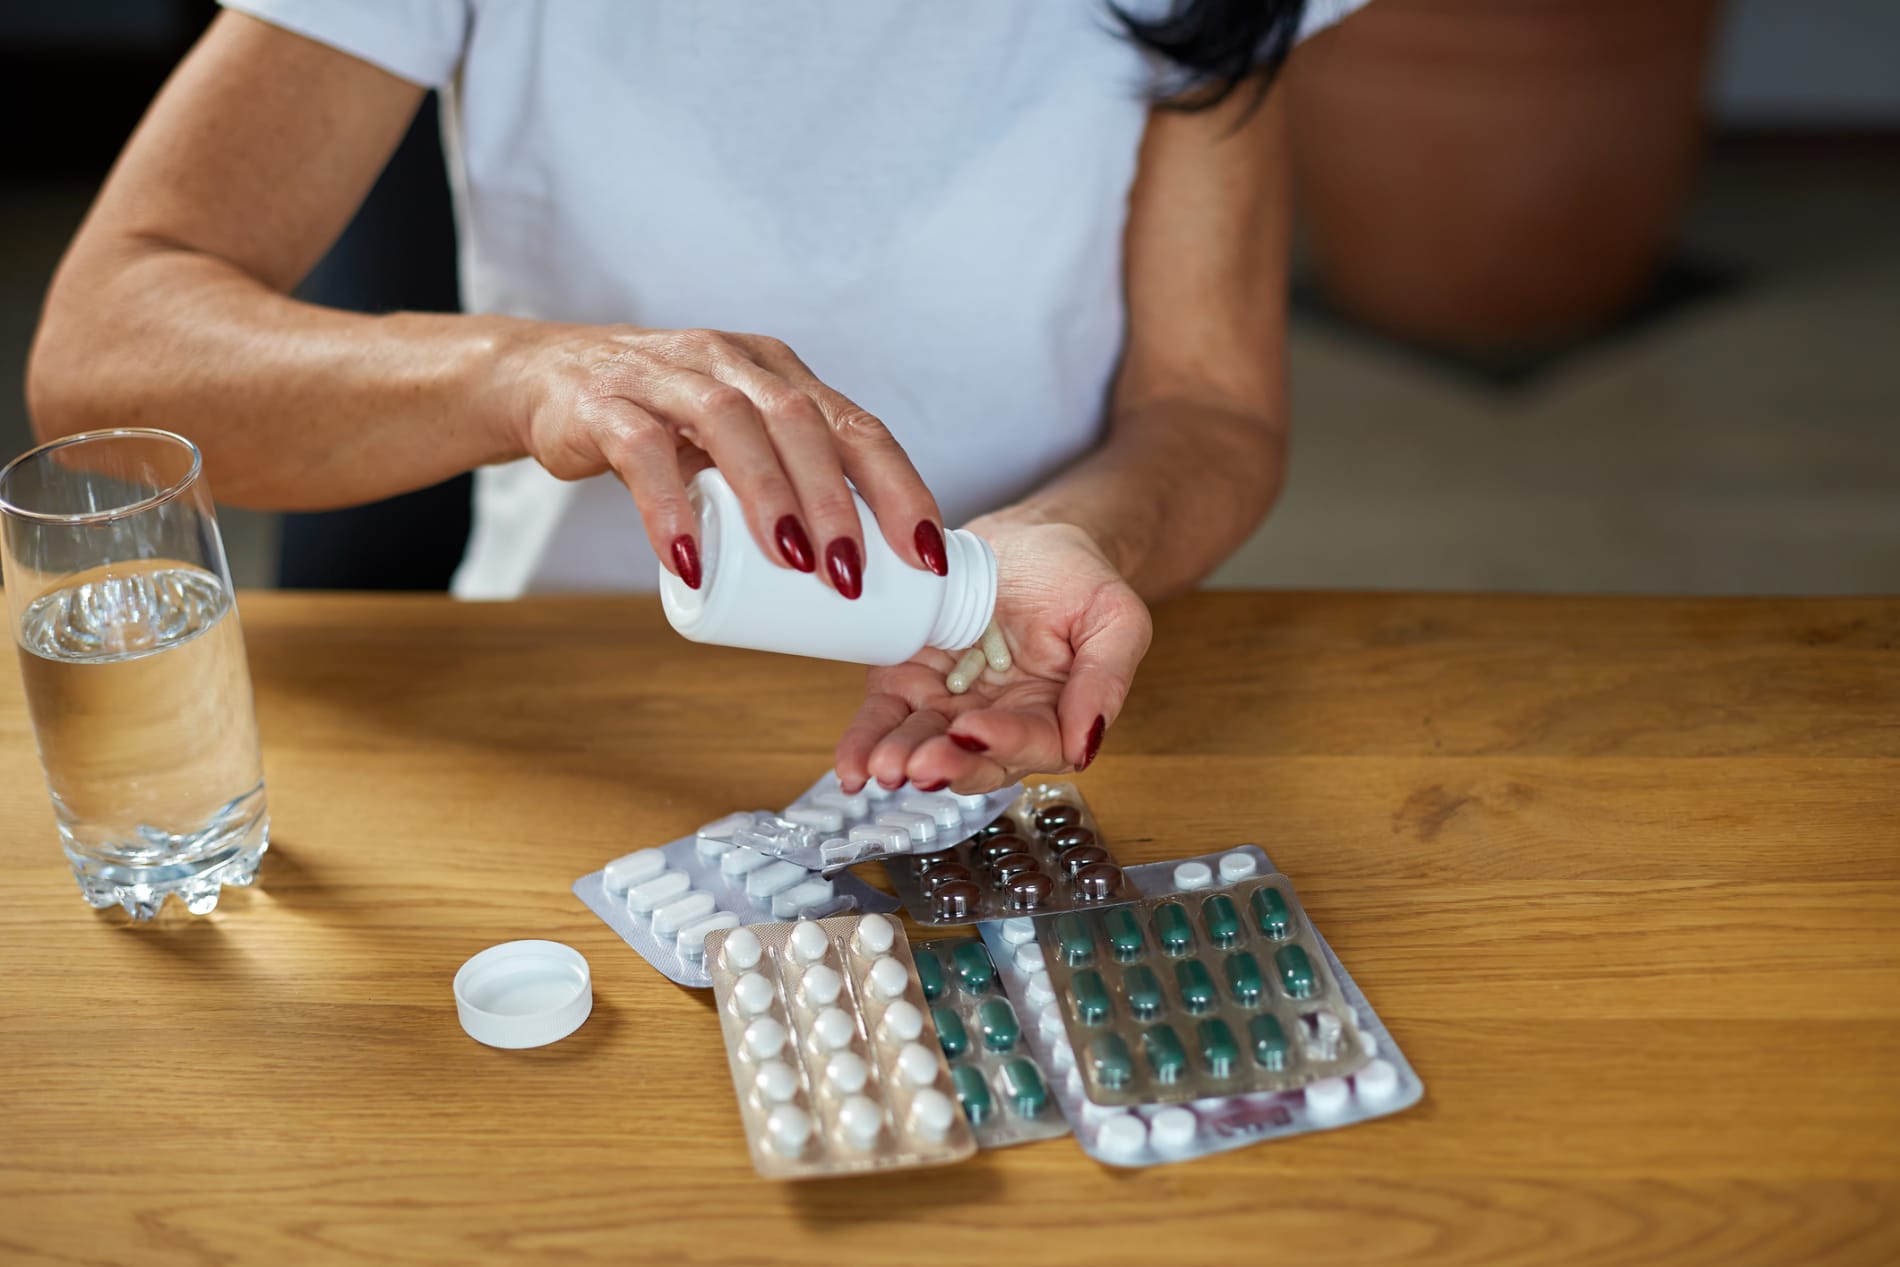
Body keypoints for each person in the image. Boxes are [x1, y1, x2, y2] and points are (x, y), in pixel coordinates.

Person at [27, 1, 1367, 794]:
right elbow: (102, 348)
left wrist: (1083, 542)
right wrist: (529, 372)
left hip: (1021, 701)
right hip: (577, 719)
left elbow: (1211, 406)